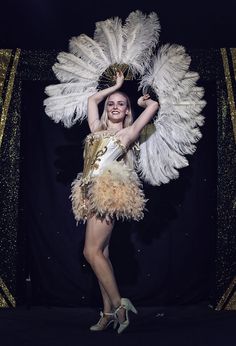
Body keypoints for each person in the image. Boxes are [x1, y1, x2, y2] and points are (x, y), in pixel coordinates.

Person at [70, 70, 159, 334]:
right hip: (89, 194)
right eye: (111, 104)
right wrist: (116, 87)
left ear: (127, 109)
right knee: (102, 254)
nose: (115, 106)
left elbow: (153, 105)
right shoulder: (96, 128)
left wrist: (144, 104)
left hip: (107, 192)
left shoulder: (128, 133)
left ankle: (120, 306)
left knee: (91, 252)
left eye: (121, 103)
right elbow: (90, 101)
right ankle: (107, 313)